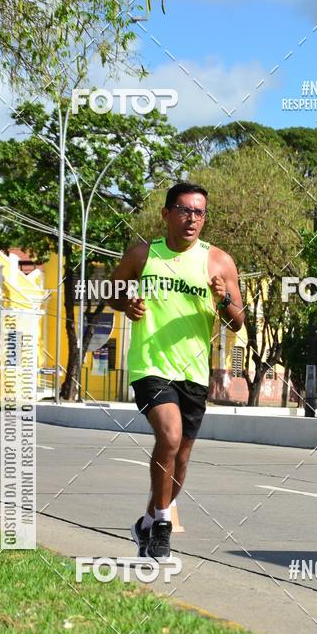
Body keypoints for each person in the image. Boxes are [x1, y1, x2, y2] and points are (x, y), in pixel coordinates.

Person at [108, 182, 244, 559]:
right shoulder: (142, 255)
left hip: (194, 372)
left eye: (199, 212)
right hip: (150, 365)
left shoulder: (219, 261)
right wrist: (127, 304)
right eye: (184, 210)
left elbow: (237, 321)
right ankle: (164, 526)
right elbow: (112, 291)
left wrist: (224, 298)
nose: (192, 219)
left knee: (180, 459)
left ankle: (147, 522)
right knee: (168, 437)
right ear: (166, 214)